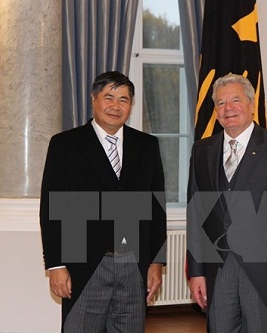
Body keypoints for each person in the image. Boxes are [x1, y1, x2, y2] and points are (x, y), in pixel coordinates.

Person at [39, 71, 166, 332]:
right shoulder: (65, 144)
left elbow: (156, 208)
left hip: (134, 263)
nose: (115, 106)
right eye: (108, 97)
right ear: (93, 99)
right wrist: (56, 264)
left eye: (123, 99)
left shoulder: (146, 145)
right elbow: (51, 208)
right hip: (84, 264)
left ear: (130, 105)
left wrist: (156, 262)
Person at [186, 74, 267, 332]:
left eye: (235, 100)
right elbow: (196, 215)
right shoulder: (201, 150)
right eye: (220, 103)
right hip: (218, 269)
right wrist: (196, 272)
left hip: (266, 270)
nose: (228, 108)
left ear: (252, 104)